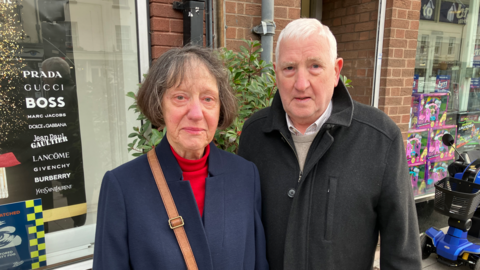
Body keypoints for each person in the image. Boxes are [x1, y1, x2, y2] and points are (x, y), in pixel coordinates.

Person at [238, 18, 422, 270]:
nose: (301, 84)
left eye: (314, 66)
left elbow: (402, 252)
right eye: (289, 68)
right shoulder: (254, 135)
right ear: (276, 73)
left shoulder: (380, 138)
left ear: (336, 72)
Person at [93, 46, 269, 269]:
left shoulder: (245, 176)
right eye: (180, 97)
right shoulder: (123, 186)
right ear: (159, 105)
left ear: (220, 108)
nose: (196, 113)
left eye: (208, 99)